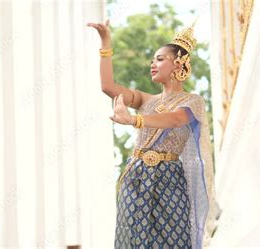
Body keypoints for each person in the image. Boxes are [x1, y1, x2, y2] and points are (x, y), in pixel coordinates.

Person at [87, 19, 218, 249]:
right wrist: (106, 42)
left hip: (169, 180)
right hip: (136, 178)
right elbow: (108, 87)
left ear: (179, 64)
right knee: (133, 240)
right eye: (151, 60)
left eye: (159, 59)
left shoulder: (192, 102)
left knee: (173, 240)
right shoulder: (144, 99)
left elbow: (175, 119)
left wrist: (134, 120)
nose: (152, 64)